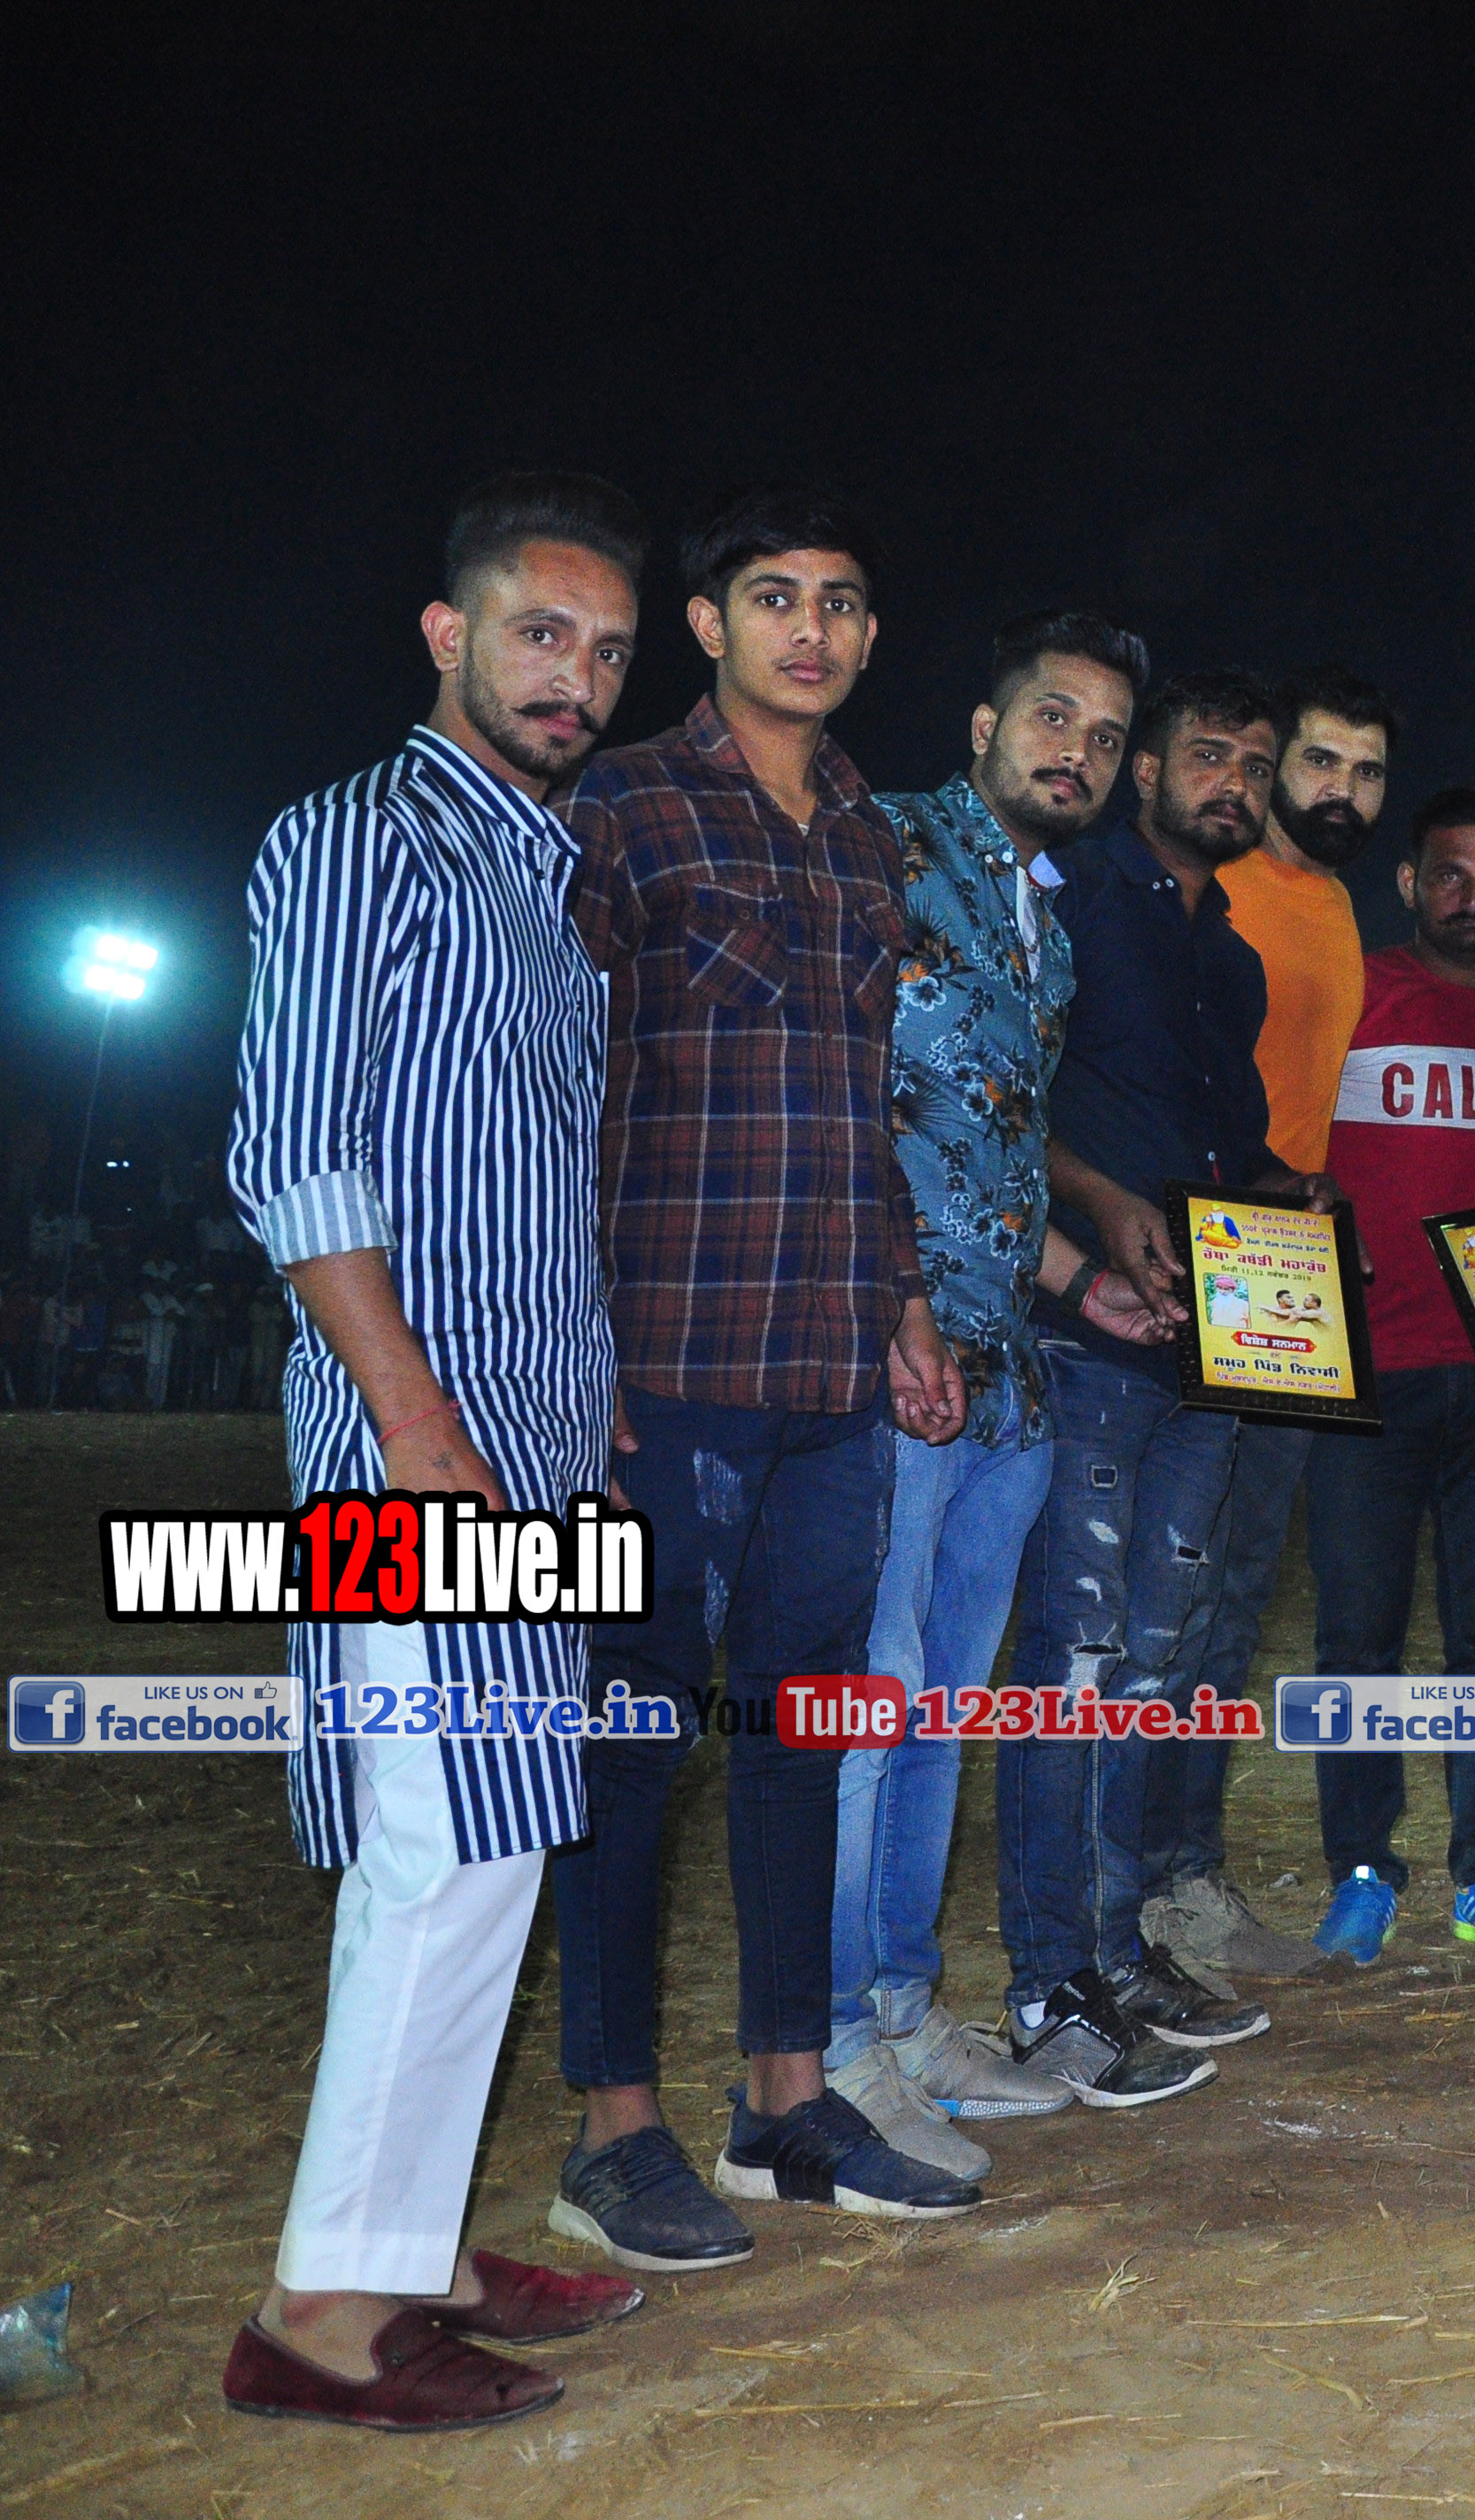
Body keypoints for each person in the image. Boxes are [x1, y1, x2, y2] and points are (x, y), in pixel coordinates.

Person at [219, 474, 655, 2430]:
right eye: (541, 633)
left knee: (493, 1841)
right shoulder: (356, 837)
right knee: (447, 1845)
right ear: (447, 634)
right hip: (421, 1452)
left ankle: (415, 2247)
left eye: (607, 650)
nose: (577, 676)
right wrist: (411, 1419)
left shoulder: (543, 886)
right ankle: (321, 2317)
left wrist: (589, 1417)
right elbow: (296, 1155)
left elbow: (535, 1195)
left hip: (536, 1444)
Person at [551, 487, 981, 2268]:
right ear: (708, 624)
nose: (813, 628)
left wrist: (901, 1303)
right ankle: (609, 2126)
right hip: (664, 1354)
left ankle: (783, 2098)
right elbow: (554, 1083)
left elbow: (860, 1107)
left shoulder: (870, 836)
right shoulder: (624, 806)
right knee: (633, 1735)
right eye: (776, 597)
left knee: (805, 1724)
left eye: (843, 602)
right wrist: (569, 1343)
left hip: (827, 1364)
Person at [831, 611, 1180, 2163]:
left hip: (1007, 1378)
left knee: (940, 1713)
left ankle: (907, 2015)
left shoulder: (1046, 921)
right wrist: (894, 1299)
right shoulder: (885, 850)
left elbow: (982, 1143)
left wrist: (1075, 1282)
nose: (1077, 753)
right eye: (1052, 717)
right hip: (891, 1364)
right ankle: (833, 2048)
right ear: (982, 725)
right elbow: (836, 1096)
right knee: (872, 1704)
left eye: (1105, 737)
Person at [996, 667, 1294, 2101]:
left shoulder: (1228, 956)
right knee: (1074, 1659)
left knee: (1159, 1663)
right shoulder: (1068, 901)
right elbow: (1005, 1094)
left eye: (1256, 763)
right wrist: (1105, 1206)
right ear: (1148, 771)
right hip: (1086, 1339)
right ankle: (1047, 1983)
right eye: (1208, 753)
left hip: (1208, 1348)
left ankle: (1118, 1958)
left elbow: (1218, 1152)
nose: (1234, 780)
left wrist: (1286, 1202)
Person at [1302, 788, 1475, 1963]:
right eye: (1452, 874)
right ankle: (1363, 1870)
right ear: (1411, 884)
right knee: (1357, 1638)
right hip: (1368, 1371)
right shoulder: (1352, 991)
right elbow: (1287, 1145)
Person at [1150, 667, 1399, 1986]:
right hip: (1197, 1253)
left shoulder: (1340, 904)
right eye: (1316, 761)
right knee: (1169, 1592)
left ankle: (1188, 1877)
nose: (1338, 789)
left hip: (1292, 1273)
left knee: (1240, 1591)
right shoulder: (1214, 882)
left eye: (1365, 771)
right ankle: (1135, 1888)